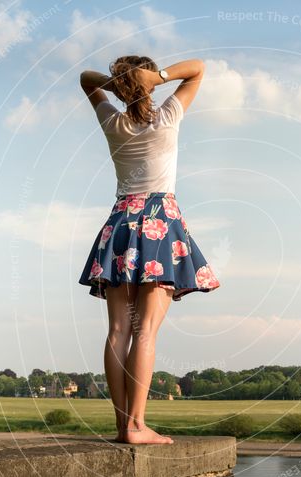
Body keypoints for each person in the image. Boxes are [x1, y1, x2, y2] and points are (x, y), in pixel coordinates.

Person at [78, 56, 220, 445]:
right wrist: (156, 77)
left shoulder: (113, 121)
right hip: (159, 222)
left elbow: (86, 79)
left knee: (119, 329)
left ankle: (123, 425)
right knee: (147, 334)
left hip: (120, 224)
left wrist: (120, 82)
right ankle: (138, 426)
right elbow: (198, 69)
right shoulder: (167, 117)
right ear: (150, 85)